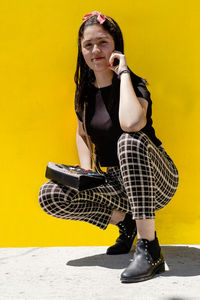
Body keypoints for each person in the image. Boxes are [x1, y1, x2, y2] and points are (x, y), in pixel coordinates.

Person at [39, 11, 179, 283]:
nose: (95, 51)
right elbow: (82, 133)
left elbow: (131, 123)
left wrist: (122, 72)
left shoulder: (134, 84)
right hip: (115, 182)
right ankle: (125, 223)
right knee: (51, 194)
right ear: (81, 51)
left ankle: (149, 246)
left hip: (155, 179)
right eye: (88, 45)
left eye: (103, 43)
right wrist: (85, 172)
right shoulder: (85, 93)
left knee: (129, 140)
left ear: (116, 46)